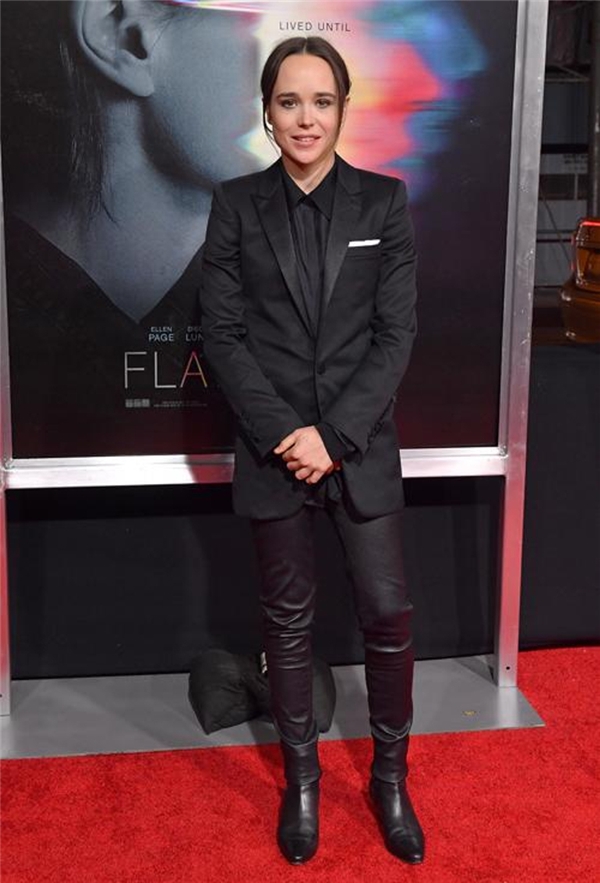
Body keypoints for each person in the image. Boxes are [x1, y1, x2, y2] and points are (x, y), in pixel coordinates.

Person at [200, 36, 422, 866]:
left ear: (342, 109)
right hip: (274, 452)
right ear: (267, 111)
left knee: (388, 616)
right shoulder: (234, 205)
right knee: (287, 625)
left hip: (359, 448)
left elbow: (395, 335)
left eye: (321, 101)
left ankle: (390, 779)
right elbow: (223, 335)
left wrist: (333, 435)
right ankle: (303, 784)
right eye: (289, 101)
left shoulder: (385, 203)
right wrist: (286, 436)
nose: (305, 118)